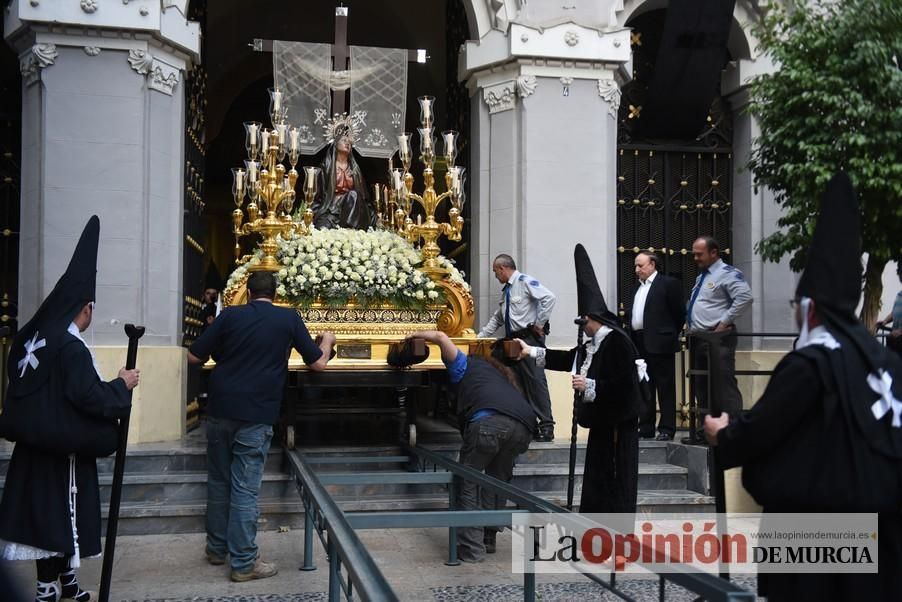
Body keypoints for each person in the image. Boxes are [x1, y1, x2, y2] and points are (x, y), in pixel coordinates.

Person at [704, 172, 902, 601]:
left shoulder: (810, 364)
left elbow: (765, 429)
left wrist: (724, 434)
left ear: (809, 310)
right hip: (883, 532)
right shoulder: (885, 361)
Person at [0, 216, 140, 602]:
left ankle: (66, 583)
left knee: (59, 520)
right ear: (85, 308)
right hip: (63, 454)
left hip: (35, 447)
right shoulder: (71, 346)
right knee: (57, 520)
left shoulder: (32, 337)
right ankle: (48, 587)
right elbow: (88, 396)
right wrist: (121, 385)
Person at [188, 271, 336, 582]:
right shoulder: (288, 319)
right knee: (244, 487)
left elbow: (193, 355)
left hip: (219, 409)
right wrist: (327, 341)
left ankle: (216, 549)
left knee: (218, 481)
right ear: (275, 292)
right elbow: (318, 363)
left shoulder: (229, 316)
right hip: (256, 414)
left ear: (248, 292)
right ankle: (243, 562)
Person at [517, 244, 641, 515]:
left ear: (594, 319)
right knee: (598, 477)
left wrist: (591, 386)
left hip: (619, 424)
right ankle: (596, 531)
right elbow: (566, 359)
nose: (582, 328)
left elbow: (625, 385)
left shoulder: (617, 342)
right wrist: (530, 351)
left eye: (584, 323)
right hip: (602, 423)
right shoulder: (592, 343)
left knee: (615, 479)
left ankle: (617, 537)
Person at [406, 330, 535, 563]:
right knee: (497, 481)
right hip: (523, 428)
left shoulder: (468, 365)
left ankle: (472, 550)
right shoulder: (503, 379)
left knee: (467, 481)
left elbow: (441, 337)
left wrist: (414, 334)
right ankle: (488, 538)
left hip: (487, 424)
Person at [477, 254, 556, 441]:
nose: (495, 276)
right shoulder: (507, 291)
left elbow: (549, 298)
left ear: (502, 268)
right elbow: (498, 318)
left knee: (536, 382)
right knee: (518, 383)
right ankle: (531, 425)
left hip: (530, 341)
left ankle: (547, 426)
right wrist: (480, 337)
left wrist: (539, 323)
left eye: (495, 272)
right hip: (514, 343)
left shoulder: (525, 282)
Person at [685, 235, 753, 443]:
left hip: (718, 338)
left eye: (699, 254)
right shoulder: (702, 276)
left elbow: (745, 297)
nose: (695, 258)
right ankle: (705, 431)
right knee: (702, 387)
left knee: (723, 385)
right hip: (700, 338)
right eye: (694, 254)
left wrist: (724, 322)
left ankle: (731, 431)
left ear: (714, 253)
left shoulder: (727, 274)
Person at [629, 251, 685, 441]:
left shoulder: (668, 284)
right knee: (644, 385)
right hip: (639, 341)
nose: (637, 270)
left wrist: (668, 333)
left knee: (665, 386)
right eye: (636, 266)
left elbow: (679, 314)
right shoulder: (637, 287)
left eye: (640, 265)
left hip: (660, 342)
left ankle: (667, 428)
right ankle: (645, 427)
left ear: (652, 264)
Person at [311, 114, 375, 230]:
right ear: (335, 143)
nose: (348, 143)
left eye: (349, 142)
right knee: (322, 229)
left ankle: (349, 231)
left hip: (351, 211)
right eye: (344, 140)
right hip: (331, 211)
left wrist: (373, 215)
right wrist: (314, 213)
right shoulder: (326, 167)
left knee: (353, 195)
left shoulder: (355, 170)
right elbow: (317, 197)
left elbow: (364, 198)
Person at [877, 262, 902, 356]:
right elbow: (894, 312)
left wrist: (900, 331)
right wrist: (885, 321)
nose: (898, 273)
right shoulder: (899, 295)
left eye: (900, 270)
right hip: (895, 339)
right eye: (898, 270)